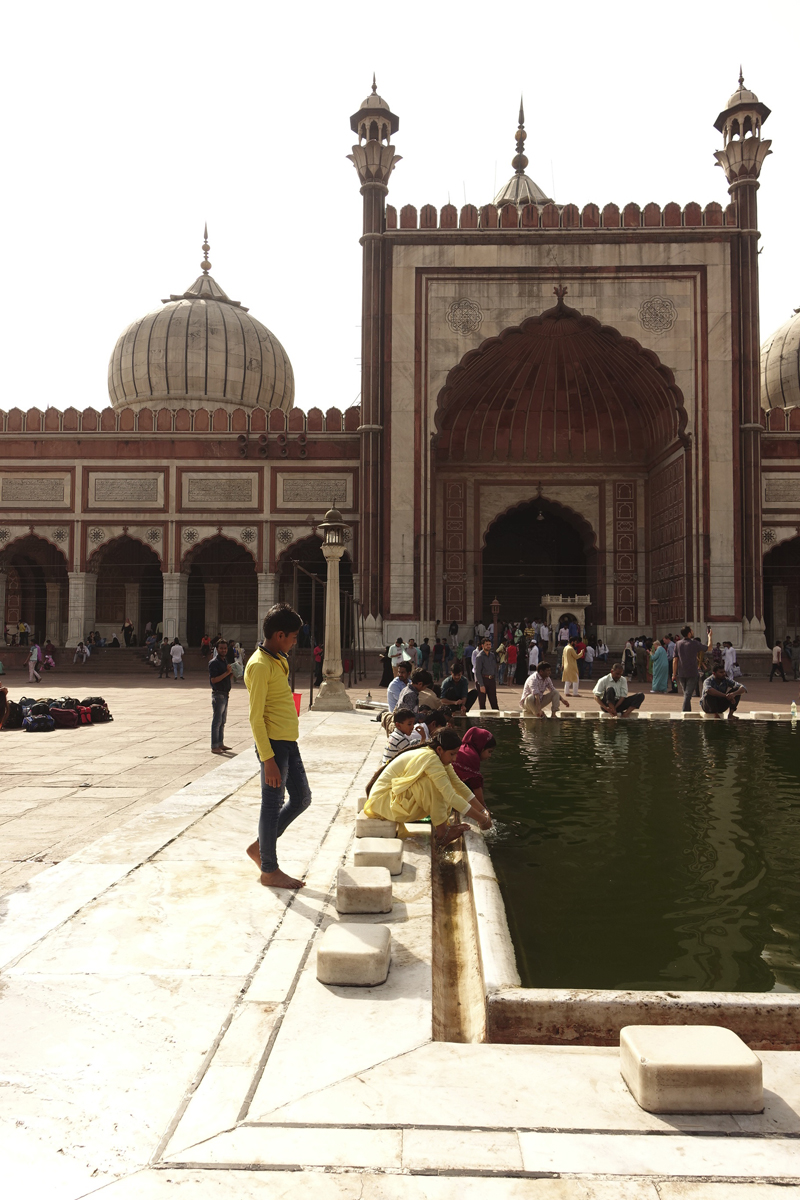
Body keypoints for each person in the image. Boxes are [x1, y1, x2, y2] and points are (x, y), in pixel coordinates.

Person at [244, 602, 311, 891]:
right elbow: (255, 716)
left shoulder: (277, 659)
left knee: (301, 799)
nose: (295, 642)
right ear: (280, 634)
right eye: (294, 637)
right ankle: (269, 870)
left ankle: (261, 847)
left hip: (287, 742)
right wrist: (268, 759)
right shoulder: (260, 665)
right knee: (271, 806)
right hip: (273, 746)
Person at [363, 728, 492, 849]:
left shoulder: (437, 756)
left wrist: (482, 810)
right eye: (452, 754)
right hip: (382, 802)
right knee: (431, 784)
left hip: (387, 799)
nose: (455, 758)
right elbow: (451, 796)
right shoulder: (431, 758)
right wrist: (482, 819)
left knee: (442, 784)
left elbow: (458, 785)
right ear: (440, 749)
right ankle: (443, 833)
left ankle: (443, 830)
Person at [453, 727, 496, 812]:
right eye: (489, 751)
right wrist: (484, 810)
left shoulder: (463, 749)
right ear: (481, 747)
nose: (489, 756)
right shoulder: (471, 756)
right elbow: (476, 785)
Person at [673, 625, 710, 712]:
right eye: (692, 631)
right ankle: (685, 713)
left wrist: (674, 674)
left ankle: (687, 713)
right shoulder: (694, 643)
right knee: (688, 694)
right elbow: (709, 648)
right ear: (689, 633)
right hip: (692, 673)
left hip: (682, 673)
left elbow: (675, 660)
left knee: (686, 694)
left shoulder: (678, 644)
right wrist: (710, 636)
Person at [209, 639, 234, 754]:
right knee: (217, 721)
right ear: (217, 649)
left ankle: (220, 743)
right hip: (218, 694)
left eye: (225, 648)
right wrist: (227, 673)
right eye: (221, 648)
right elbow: (214, 680)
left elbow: (225, 678)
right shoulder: (214, 663)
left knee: (222, 721)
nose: (223, 650)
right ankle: (214, 746)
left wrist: (231, 673)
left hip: (225, 693)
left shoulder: (225, 661)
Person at [473, 637, 499, 710]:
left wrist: (495, 678)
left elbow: (494, 668)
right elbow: (477, 672)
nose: (488, 646)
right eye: (486, 644)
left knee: (494, 702)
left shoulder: (492, 655)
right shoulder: (479, 657)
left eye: (489, 644)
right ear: (482, 645)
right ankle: (482, 720)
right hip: (483, 680)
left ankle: (495, 720)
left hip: (491, 680)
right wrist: (481, 685)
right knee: (482, 703)